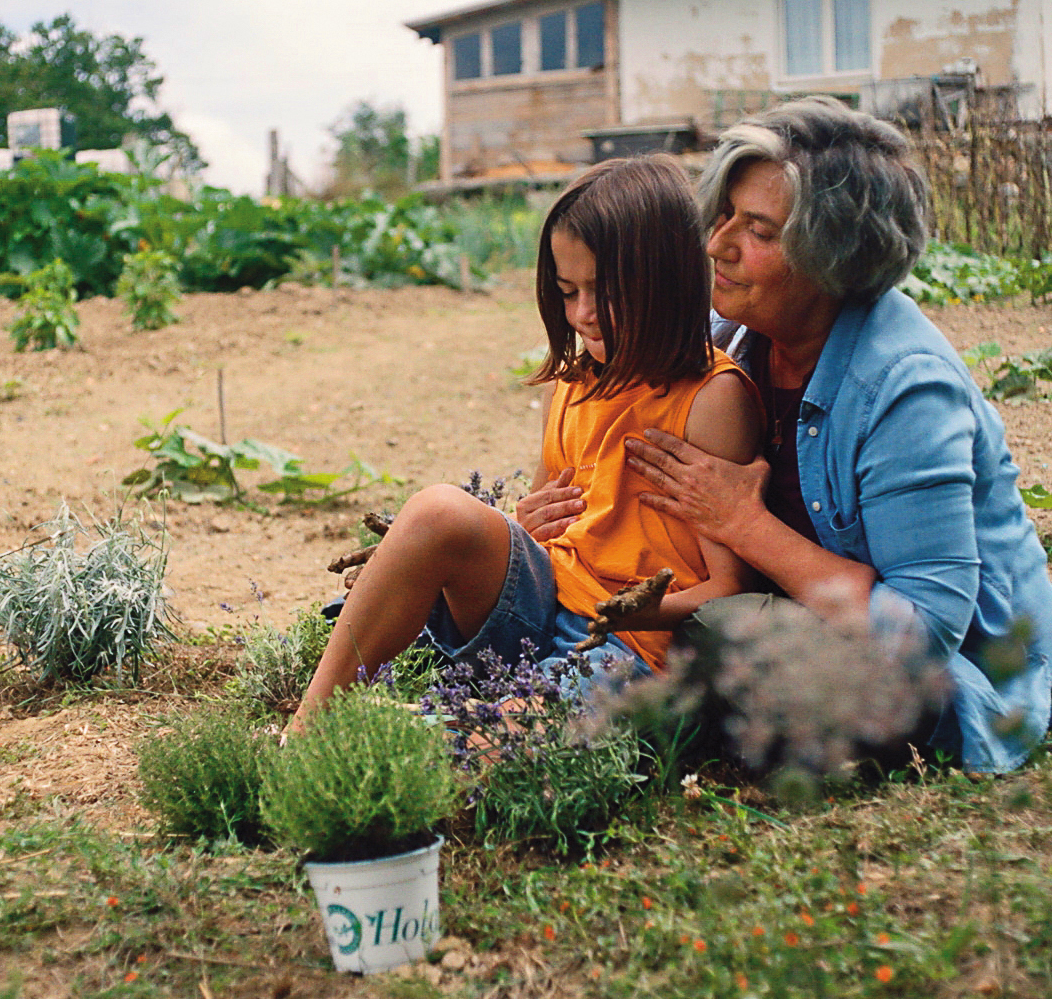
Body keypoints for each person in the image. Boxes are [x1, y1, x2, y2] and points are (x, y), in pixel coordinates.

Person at [618, 97, 1052, 775]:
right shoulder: (734, 338)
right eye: (723, 217)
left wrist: (744, 524)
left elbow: (921, 637)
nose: (717, 245)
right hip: (796, 621)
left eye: (760, 231)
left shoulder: (907, 389)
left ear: (832, 256)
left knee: (722, 635)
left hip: (953, 683)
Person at [288, 155, 763, 732]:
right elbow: (544, 524)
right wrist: (521, 524)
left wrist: (638, 609)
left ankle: (447, 730)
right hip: (544, 600)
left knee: (487, 743)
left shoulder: (713, 399)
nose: (583, 314)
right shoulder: (570, 380)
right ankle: (308, 726)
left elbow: (729, 587)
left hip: (630, 643)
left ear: (664, 279)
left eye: (604, 291)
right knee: (440, 509)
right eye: (568, 292)